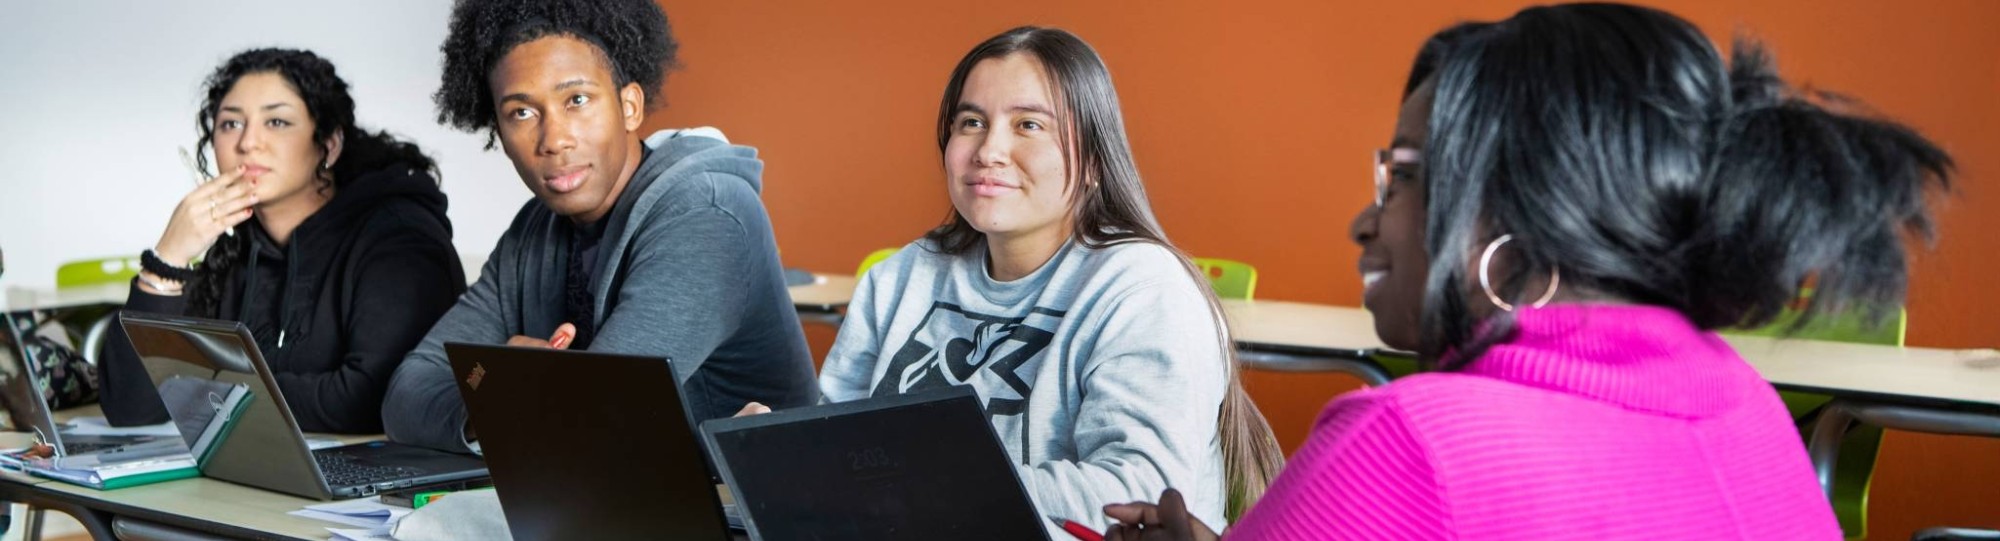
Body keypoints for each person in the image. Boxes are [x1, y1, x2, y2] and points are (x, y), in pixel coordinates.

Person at [1104, 4, 1952, 539]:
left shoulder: (1414, 439)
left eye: (1402, 175)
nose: (1367, 218)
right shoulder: (1750, 407)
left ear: (1506, 222)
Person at [807, 26, 1284, 534]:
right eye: (971, 122)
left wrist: (916, 487)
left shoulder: (1143, 289)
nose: (989, 150)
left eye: (1029, 125)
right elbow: (835, 440)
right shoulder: (903, 275)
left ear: (1095, 163)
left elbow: (1145, 495)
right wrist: (782, 455)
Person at [382, 0, 819, 452]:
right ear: (499, 132)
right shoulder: (535, 230)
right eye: (522, 113)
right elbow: (406, 395)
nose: (554, 140)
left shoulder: (705, 212)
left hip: (748, 512)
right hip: (614, 501)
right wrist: (493, 394)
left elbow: (596, 416)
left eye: (577, 100)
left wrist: (509, 395)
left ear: (629, 106)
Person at [101, 48, 462, 434]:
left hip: (368, 486)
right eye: (230, 124)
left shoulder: (397, 237)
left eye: (276, 121)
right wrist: (168, 260)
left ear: (329, 144)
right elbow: (132, 408)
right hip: (254, 475)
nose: (248, 142)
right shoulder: (232, 249)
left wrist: (203, 391)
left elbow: (366, 398)